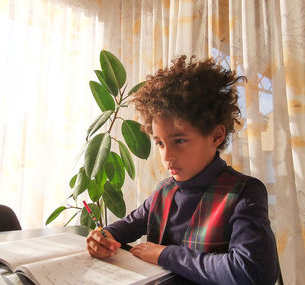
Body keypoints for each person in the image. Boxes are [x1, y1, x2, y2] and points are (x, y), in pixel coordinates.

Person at [86, 55, 281, 284]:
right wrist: (103, 237)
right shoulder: (164, 190)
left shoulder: (244, 193)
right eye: (160, 143)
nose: (166, 157)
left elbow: (253, 272)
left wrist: (164, 254)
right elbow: (129, 224)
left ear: (216, 136)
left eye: (179, 141)